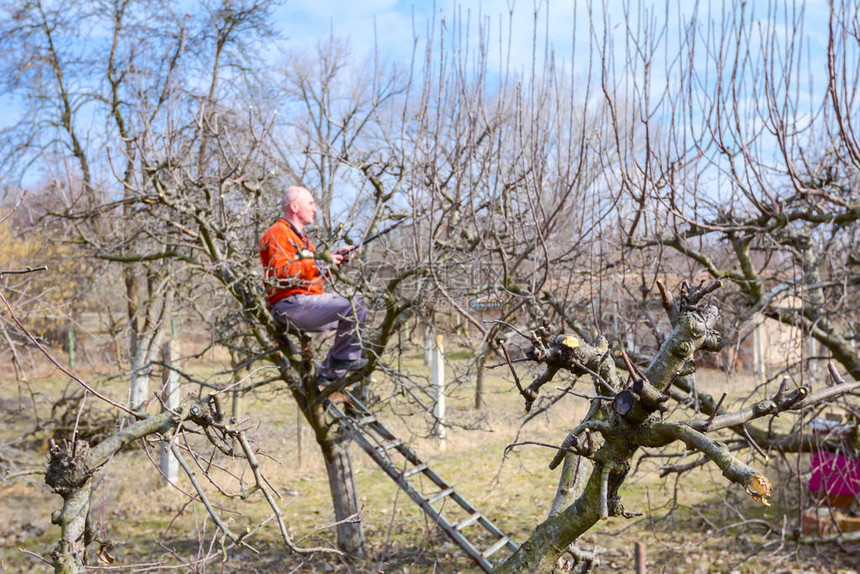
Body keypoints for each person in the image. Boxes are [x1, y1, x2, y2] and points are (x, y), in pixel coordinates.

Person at [259, 185, 367, 381]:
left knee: (357, 313)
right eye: (310, 203)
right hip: (290, 305)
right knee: (354, 303)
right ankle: (340, 364)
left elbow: (311, 276)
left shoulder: (305, 242)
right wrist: (319, 264)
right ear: (294, 206)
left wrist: (335, 262)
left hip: (306, 302)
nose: (315, 209)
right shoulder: (278, 233)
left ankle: (328, 376)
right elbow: (281, 272)